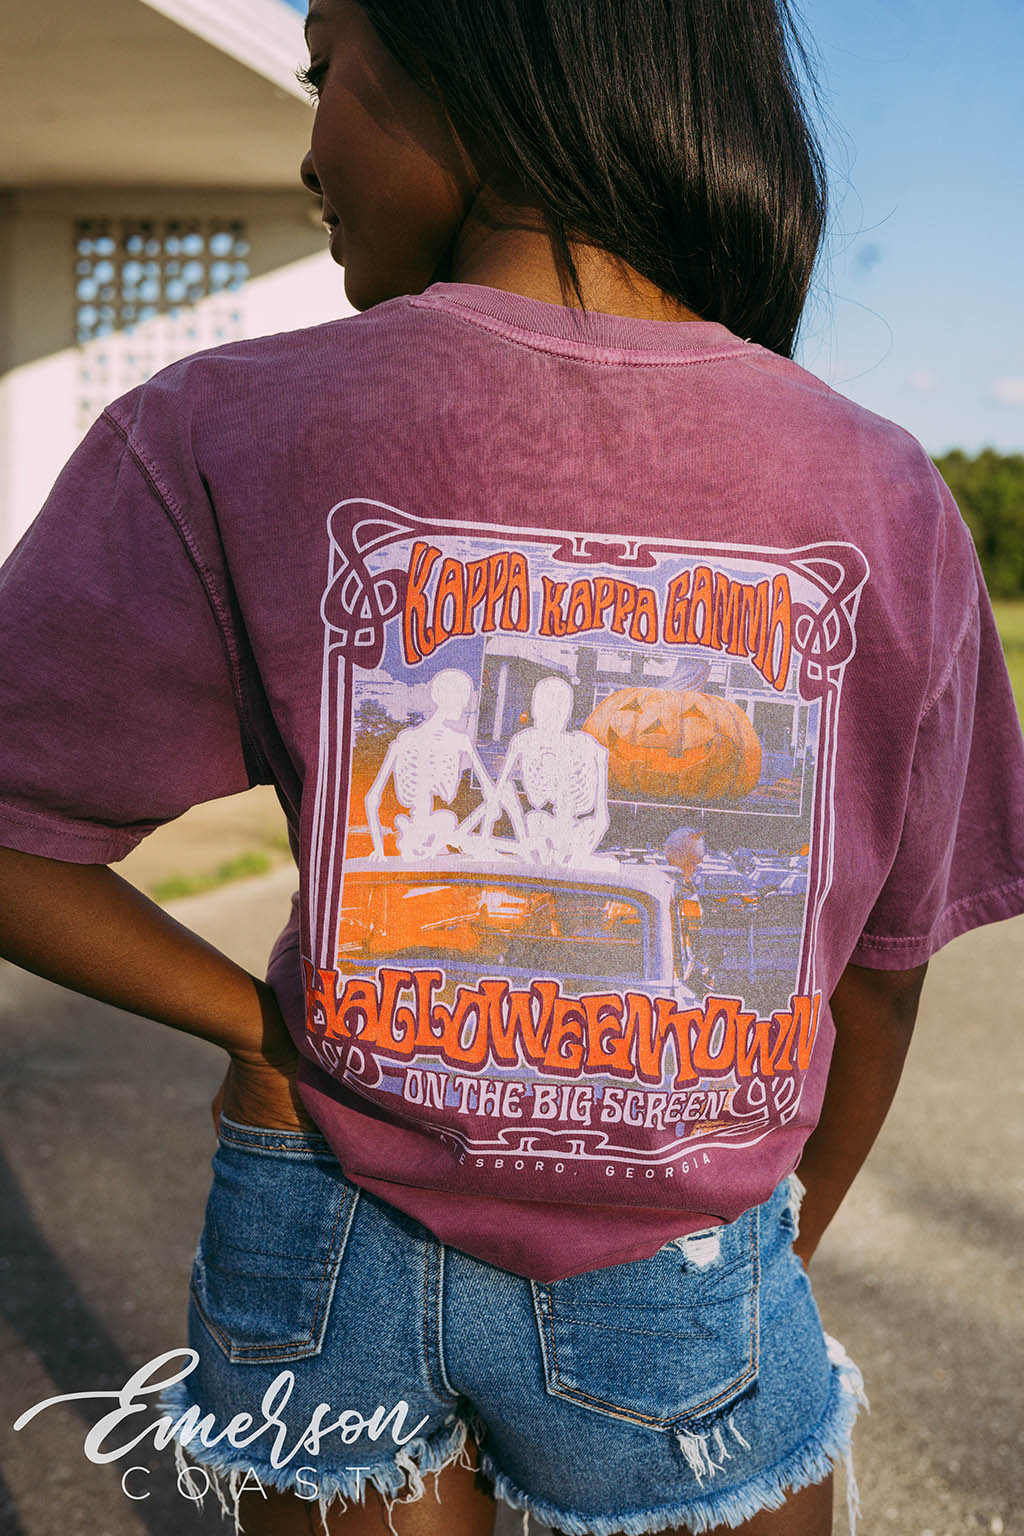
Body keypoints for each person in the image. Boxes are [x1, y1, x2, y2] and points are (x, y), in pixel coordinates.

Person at [1, 3, 1023, 1535]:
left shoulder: (224, 425)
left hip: (329, 1215)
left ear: (476, 53)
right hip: (677, 1250)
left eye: (324, 70)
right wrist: (766, 1248)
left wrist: (269, 1038)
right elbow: (880, 976)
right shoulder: (882, 491)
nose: (309, 150)